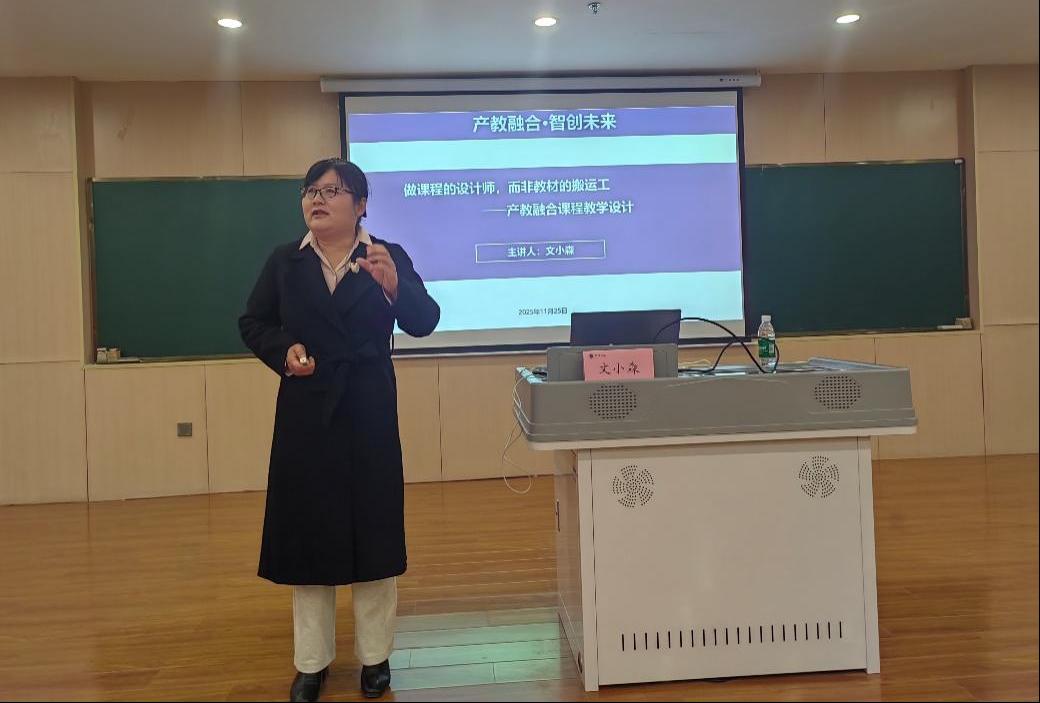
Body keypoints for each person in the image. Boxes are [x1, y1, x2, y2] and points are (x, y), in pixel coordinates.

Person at [239, 157, 440, 701]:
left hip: (368, 408)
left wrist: (396, 287)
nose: (316, 199)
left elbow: (425, 321)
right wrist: (285, 350)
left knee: (373, 531)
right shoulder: (285, 261)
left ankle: (376, 657)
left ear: (361, 204)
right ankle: (311, 663)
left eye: (331, 190)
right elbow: (253, 322)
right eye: (310, 191)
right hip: (306, 411)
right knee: (309, 534)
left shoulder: (385, 255)